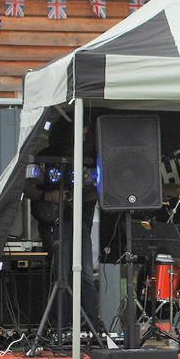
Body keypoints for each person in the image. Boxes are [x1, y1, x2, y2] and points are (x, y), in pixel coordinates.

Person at [25, 117, 106, 339]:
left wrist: (81, 194)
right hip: (53, 222)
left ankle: (91, 326)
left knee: (86, 276)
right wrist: (46, 195)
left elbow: (94, 190)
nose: (84, 135)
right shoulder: (44, 156)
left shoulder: (87, 157)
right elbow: (25, 187)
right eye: (81, 131)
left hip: (78, 221)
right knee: (60, 275)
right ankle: (57, 326)